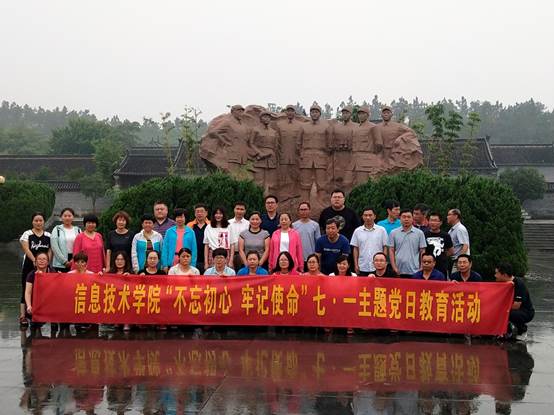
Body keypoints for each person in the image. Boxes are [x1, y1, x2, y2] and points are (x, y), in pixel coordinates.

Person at [19, 212, 51, 327]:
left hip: (44, 267)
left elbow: (50, 250)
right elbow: (26, 248)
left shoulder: (48, 235)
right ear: (32, 222)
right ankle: (23, 316)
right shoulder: (27, 234)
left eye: (40, 220)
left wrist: (47, 262)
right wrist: (34, 261)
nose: (38, 222)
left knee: (42, 291)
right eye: (36, 220)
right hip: (29, 265)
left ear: (44, 222)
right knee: (26, 289)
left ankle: (38, 314)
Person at [298, 103, 331, 202]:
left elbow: (329, 144)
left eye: (316, 112)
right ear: (310, 113)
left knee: (321, 182)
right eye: (312, 112)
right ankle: (304, 202)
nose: (314, 114)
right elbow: (298, 143)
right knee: (305, 182)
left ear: (320, 113)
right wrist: (302, 154)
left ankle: (321, 202)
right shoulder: (303, 127)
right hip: (306, 157)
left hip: (321, 157)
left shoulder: (326, 126)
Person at [495, 262, 535, 337]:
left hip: (525, 312)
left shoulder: (519, 284)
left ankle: (521, 329)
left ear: (504, 275)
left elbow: (516, 306)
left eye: (497, 273)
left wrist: (501, 309)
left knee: (506, 313)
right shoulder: (501, 283)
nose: (495, 275)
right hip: (510, 308)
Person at [389, 209, 427, 278]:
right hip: (398, 270)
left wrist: (421, 268)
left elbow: (422, 251)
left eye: (409, 217)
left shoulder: (419, 233)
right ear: (400, 218)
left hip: (415, 271)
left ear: (412, 218)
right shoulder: (393, 233)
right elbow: (391, 250)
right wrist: (394, 267)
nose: (406, 219)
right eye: (404, 217)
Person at [351, 207, 388, 276]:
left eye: (370, 215)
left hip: (378, 268)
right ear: (362, 217)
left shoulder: (381, 230)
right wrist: (356, 264)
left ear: (374, 216)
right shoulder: (357, 231)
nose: (368, 217)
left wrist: (384, 263)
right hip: (362, 266)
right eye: (365, 215)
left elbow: (385, 247)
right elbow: (355, 249)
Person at [24, 251, 55, 319]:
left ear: (48, 262)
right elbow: (28, 292)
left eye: (44, 259)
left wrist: (61, 277)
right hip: (36, 302)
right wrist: (29, 306)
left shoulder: (53, 272)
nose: (41, 261)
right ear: (35, 262)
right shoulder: (31, 275)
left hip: (49, 301)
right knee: (35, 321)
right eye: (39, 259)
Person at [51, 207, 81, 272]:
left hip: (75, 261)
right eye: (65, 216)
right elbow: (54, 247)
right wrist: (64, 261)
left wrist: (74, 259)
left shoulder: (78, 230)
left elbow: (81, 246)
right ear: (61, 217)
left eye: (69, 216)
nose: (67, 218)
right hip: (60, 262)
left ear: (73, 217)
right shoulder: (57, 229)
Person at [424, 211, 454, 277]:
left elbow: (451, 251)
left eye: (435, 220)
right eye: (431, 220)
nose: (433, 223)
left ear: (440, 222)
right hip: (427, 265)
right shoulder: (424, 234)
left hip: (441, 266)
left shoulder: (446, 235)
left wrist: (442, 256)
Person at [292, 202, 321, 267]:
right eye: (301, 210)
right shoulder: (294, 225)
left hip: (311, 258)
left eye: (305, 209)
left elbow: (318, 242)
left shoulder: (315, 225)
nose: (303, 211)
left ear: (309, 210)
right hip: (297, 258)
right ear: (298, 211)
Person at [187, 203, 210, 274]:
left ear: (206, 213)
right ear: (194, 213)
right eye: (197, 211)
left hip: (208, 258)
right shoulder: (189, 225)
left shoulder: (211, 225)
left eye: (202, 211)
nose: (199, 214)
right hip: (193, 258)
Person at [447, 208, 470, 272]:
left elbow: (465, 246)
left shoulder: (460, 229)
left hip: (459, 261)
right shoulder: (452, 230)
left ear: (456, 216)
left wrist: (460, 261)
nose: (447, 217)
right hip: (454, 260)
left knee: (456, 277)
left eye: (449, 215)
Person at [228, 201, 249, 270]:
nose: (239, 211)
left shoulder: (248, 224)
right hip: (230, 253)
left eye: (242, 209)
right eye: (237, 209)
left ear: (245, 211)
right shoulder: (228, 223)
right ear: (234, 210)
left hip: (244, 254)